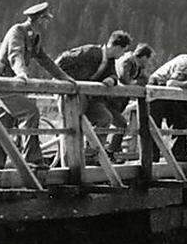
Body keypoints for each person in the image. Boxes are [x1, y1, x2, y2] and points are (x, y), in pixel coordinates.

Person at [0, 2, 75, 168]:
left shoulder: (34, 37)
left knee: (3, 124)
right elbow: (15, 54)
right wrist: (21, 73)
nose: (47, 24)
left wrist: (64, 77)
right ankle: (31, 159)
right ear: (40, 20)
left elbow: (44, 60)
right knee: (30, 112)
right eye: (46, 20)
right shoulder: (18, 31)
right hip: (5, 82)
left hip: (13, 85)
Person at [57, 30, 133, 160]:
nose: (122, 55)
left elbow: (114, 75)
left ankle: (92, 154)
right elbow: (61, 61)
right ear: (117, 47)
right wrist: (68, 81)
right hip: (72, 95)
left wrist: (111, 79)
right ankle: (67, 159)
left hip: (89, 97)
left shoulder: (109, 61)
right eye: (122, 51)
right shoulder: (90, 51)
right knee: (73, 125)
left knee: (105, 118)